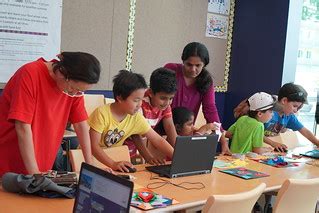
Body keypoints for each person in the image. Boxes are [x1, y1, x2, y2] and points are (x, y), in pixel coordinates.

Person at [0, 52, 100, 176]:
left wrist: (90, 165)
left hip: (40, 164)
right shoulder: (30, 73)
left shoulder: (74, 89)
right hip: (10, 163)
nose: (75, 94)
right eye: (73, 89)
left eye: (80, 91)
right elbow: (22, 127)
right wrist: (35, 176)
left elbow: (80, 124)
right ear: (63, 73)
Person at [88, 70, 174, 172]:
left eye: (141, 100)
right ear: (120, 97)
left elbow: (158, 140)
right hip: (89, 161)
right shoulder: (101, 114)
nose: (140, 104)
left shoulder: (135, 117)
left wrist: (178, 158)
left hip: (111, 164)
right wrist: (113, 164)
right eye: (136, 100)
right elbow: (93, 146)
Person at [164, 42, 231, 155]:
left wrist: (223, 140)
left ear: (204, 65)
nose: (193, 69)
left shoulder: (206, 81)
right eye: (189, 64)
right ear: (183, 61)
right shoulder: (171, 69)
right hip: (163, 130)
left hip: (185, 133)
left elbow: (210, 110)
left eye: (198, 65)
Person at [124, 67, 177, 162]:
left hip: (139, 150)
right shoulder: (139, 103)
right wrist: (147, 156)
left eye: (171, 98)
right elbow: (135, 135)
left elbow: (170, 127)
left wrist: (179, 154)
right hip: (126, 148)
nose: (167, 102)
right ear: (151, 93)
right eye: (163, 98)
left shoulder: (165, 105)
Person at [264, 83, 319, 151]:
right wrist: (273, 143)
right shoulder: (267, 113)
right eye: (294, 106)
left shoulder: (289, 116)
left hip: (267, 150)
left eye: (298, 107)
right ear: (284, 100)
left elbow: (305, 131)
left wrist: (318, 143)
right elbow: (255, 132)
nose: (296, 111)